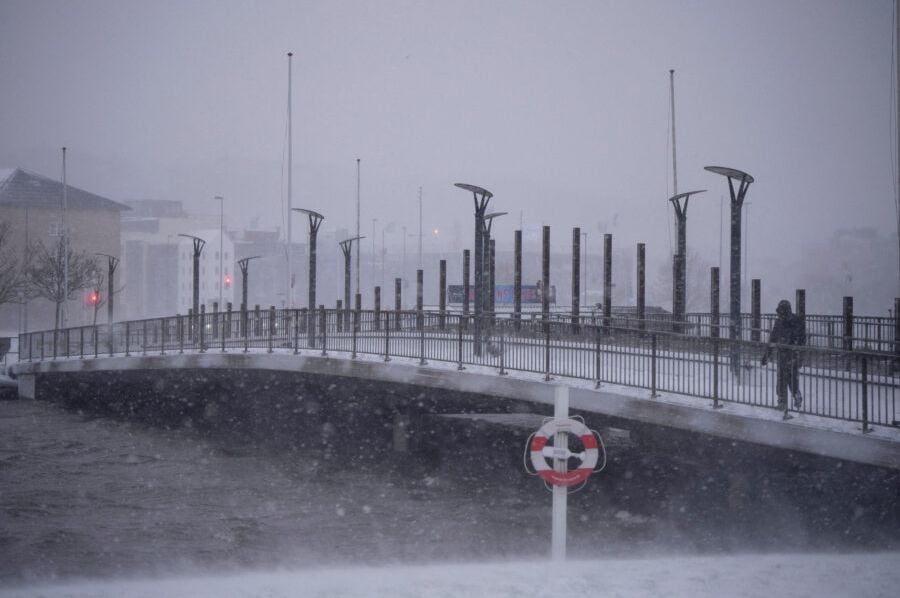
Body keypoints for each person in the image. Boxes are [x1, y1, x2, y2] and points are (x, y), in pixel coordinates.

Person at [761, 300, 806, 411]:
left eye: (781, 313)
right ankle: (784, 400)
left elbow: (801, 340)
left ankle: (792, 397)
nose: (780, 316)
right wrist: (766, 355)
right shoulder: (787, 322)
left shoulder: (795, 322)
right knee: (783, 378)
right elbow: (773, 339)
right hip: (785, 355)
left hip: (791, 355)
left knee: (789, 378)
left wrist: (798, 354)